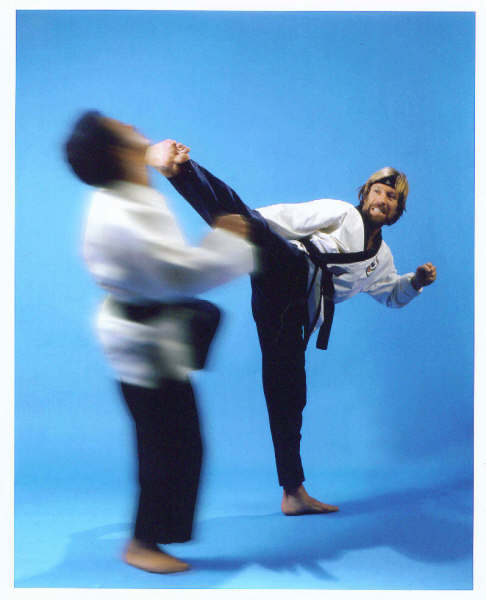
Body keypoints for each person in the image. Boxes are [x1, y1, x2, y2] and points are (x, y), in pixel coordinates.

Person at [145, 139, 437, 517]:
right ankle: (181, 170)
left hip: (296, 311)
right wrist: (246, 226)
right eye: (378, 191)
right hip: (288, 266)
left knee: (288, 393)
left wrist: (415, 281)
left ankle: (293, 493)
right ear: (365, 194)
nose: (383, 199)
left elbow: (391, 294)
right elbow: (285, 217)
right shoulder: (339, 212)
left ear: (398, 210)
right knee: (250, 224)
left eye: (392, 197)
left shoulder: (382, 259)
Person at [64, 112, 255, 573]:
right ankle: (143, 542)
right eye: (122, 129)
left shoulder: (119, 189)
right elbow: (179, 274)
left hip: (144, 332)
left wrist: (155, 156)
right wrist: (227, 240)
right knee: (169, 446)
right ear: (116, 153)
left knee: (175, 442)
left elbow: (136, 160)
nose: (132, 127)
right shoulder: (122, 216)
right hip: (144, 345)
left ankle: (152, 535)